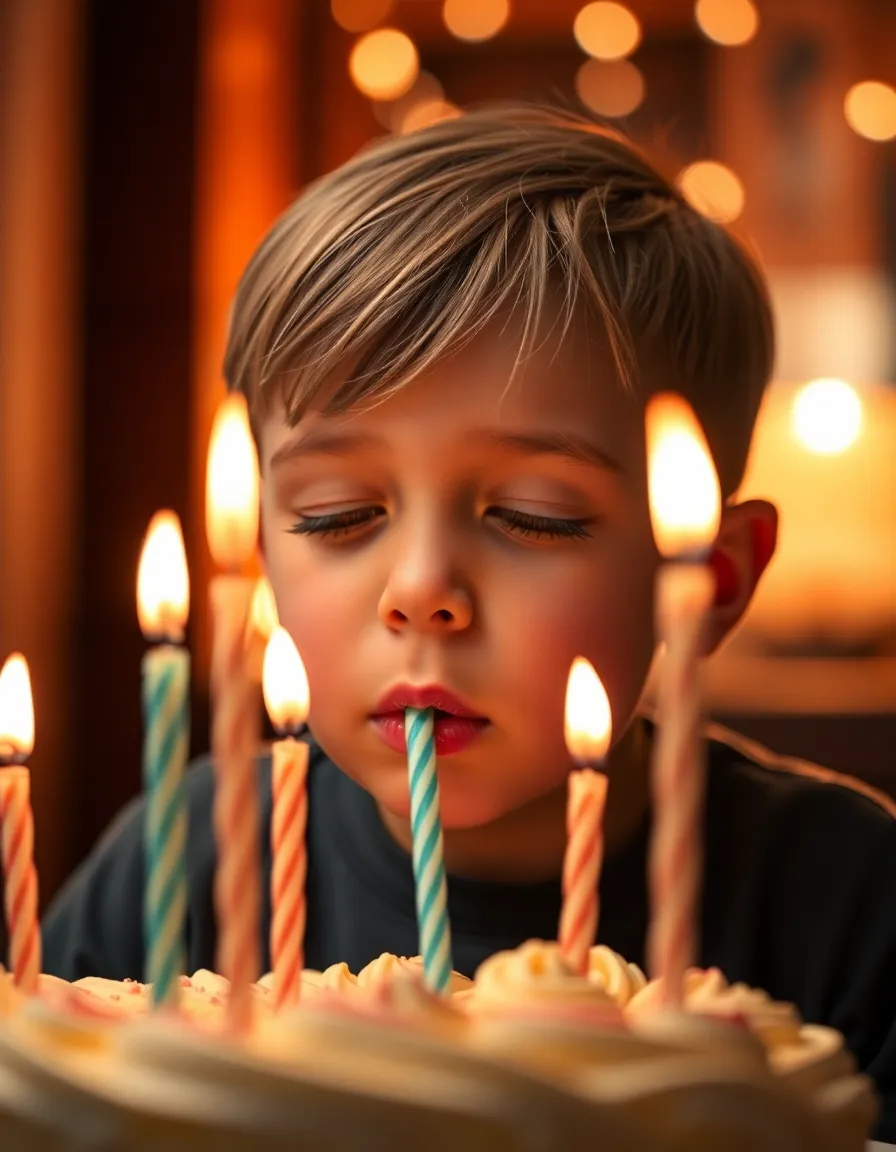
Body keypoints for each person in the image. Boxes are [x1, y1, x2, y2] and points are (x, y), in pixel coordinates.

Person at [34, 105, 896, 1139]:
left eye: (533, 518)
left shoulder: (847, 901)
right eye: (337, 515)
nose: (420, 589)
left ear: (706, 579)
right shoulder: (185, 867)